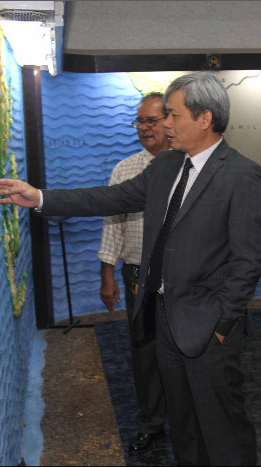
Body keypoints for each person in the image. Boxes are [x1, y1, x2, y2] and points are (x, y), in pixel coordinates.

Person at [0, 72, 261, 466]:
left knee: (221, 425)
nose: (165, 124)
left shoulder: (241, 174)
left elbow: (248, 261)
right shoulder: (167, 166)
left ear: (204, 118)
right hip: (163, 318)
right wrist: (39, 197)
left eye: (172, 115)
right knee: (183, 422)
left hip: (207, 327)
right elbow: (112, 197)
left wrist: (223, 324)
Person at [97, 92, 170, 454]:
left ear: (169, 121)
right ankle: (151, 424)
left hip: (183, 279)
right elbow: (113, 224)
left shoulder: (191, 167)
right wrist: (107, 275)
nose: (144, 128)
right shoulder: (125, 170)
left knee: (188, 351)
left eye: (151, 121)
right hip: (138, 277)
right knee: (144, 353)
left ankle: (193, 420)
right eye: (139, 121)